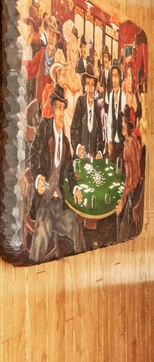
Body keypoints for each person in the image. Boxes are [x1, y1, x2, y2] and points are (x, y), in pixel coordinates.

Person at [25, 89, 81, 261]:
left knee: (77, 230)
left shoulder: (65, 141)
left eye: (63, 109)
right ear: (53, 110)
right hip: (45, 203)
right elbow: (33, 152)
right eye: (58, 108)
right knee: (41, 234)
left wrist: (76, 188)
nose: (61, 113)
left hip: (60, 205)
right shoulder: (45, 126)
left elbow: (70, 172)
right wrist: (38, 177)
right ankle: (32, 275)